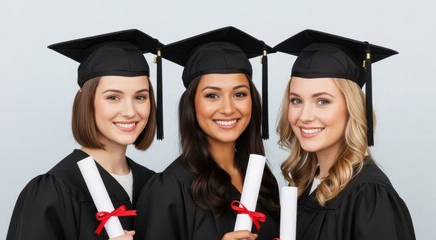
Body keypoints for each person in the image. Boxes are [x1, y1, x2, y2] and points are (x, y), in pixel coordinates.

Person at [7, 29, 163, 240]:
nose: (130, 111)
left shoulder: (153, 185)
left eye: (140, 97)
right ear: (86, 101)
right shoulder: (53, 192)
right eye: (113, 98)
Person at [134, 26, 280, 240]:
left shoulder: (263, 181)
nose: (228, 108)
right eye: (212, 96)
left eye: (239, 94)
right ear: (191, 105)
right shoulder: (169, 190)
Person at [274, 29, 416, 240]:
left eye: (322, 101)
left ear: (352, 108)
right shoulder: (307, 186)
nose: (304, 116)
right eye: (296, 100)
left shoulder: (369, 195)